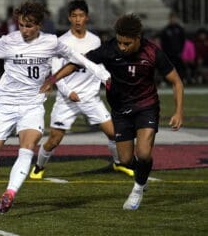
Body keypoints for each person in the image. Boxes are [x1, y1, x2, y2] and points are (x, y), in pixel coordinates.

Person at [0, 0, 110, 214]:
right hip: (6, 104)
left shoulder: (51, 42)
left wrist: (101, 73)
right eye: (21, 25)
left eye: (29, 26)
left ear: (38, 25)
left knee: (27, 148)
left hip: (32, 105)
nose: (24, 30)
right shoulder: (7, 42)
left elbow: (79, 59)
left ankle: (10, 193)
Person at [41, 14, 184, 210]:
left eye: (127, 43)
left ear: (138, 38)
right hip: (120, 110)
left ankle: (138, 188)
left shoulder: (152, 52)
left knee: (143, 153)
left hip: (146, 106)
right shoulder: (109, 49)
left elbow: (176, 82)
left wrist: (178, 112)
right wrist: (53, 79)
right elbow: (77, 63)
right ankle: (142, 176)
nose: (122, 47)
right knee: (125, 160)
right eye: (120, 42)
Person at [30, 0, 133, 180]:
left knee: (113, 133)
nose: (78, 19)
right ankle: (38, 166)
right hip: (67, 100)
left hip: (91, 98)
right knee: (54, 140)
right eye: (74, 16)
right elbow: (56, 71)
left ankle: (118, 163)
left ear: (87, 17)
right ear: (69, 18)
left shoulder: (95, 40)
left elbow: (100, 64)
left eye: (81, 16)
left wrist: (108, 80)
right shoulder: (61, 42)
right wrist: (68, 92)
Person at [160, 12, 186, 83]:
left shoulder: (180, 29)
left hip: (178, 53)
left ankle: (181, 80)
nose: (172, 20)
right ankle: (168, 81)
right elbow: (163, 43)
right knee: (169, 69)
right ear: (169, 19)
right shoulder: (165, 30)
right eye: (171, 19)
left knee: (179, 68)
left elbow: (182, 41)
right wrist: (166, 52)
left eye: (174, 19)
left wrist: (180, 50)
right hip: (169, 54)